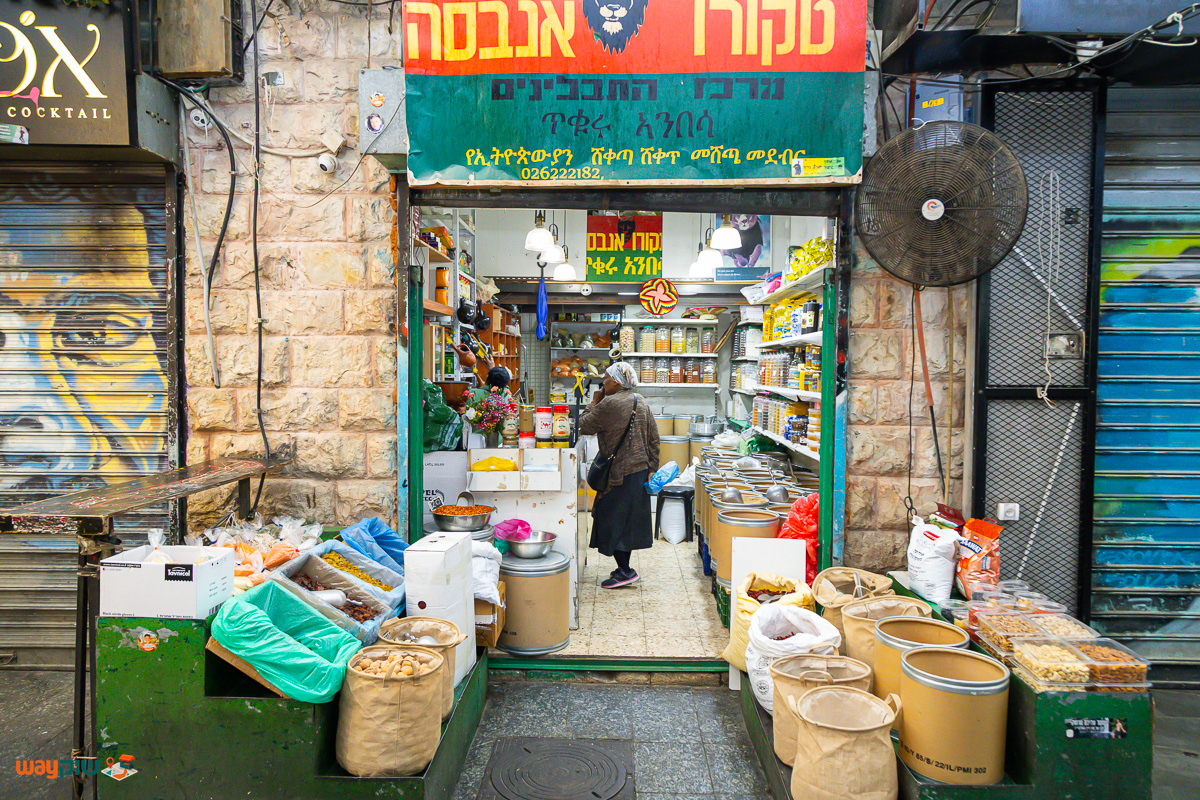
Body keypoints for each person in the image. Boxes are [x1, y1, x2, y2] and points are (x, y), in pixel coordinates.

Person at [579, 362, 659, 588]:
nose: (603, 382)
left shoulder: (609, 403)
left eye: (606, 377)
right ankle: (624, 567)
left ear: (616, 381)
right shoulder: (640, 401)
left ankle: (626, 571)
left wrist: (593, 402)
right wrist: (652, 467)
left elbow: (584, 425)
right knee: (627, 523)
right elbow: (654, 437)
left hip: (618, 474)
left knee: (609, 519)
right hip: (639, 471)